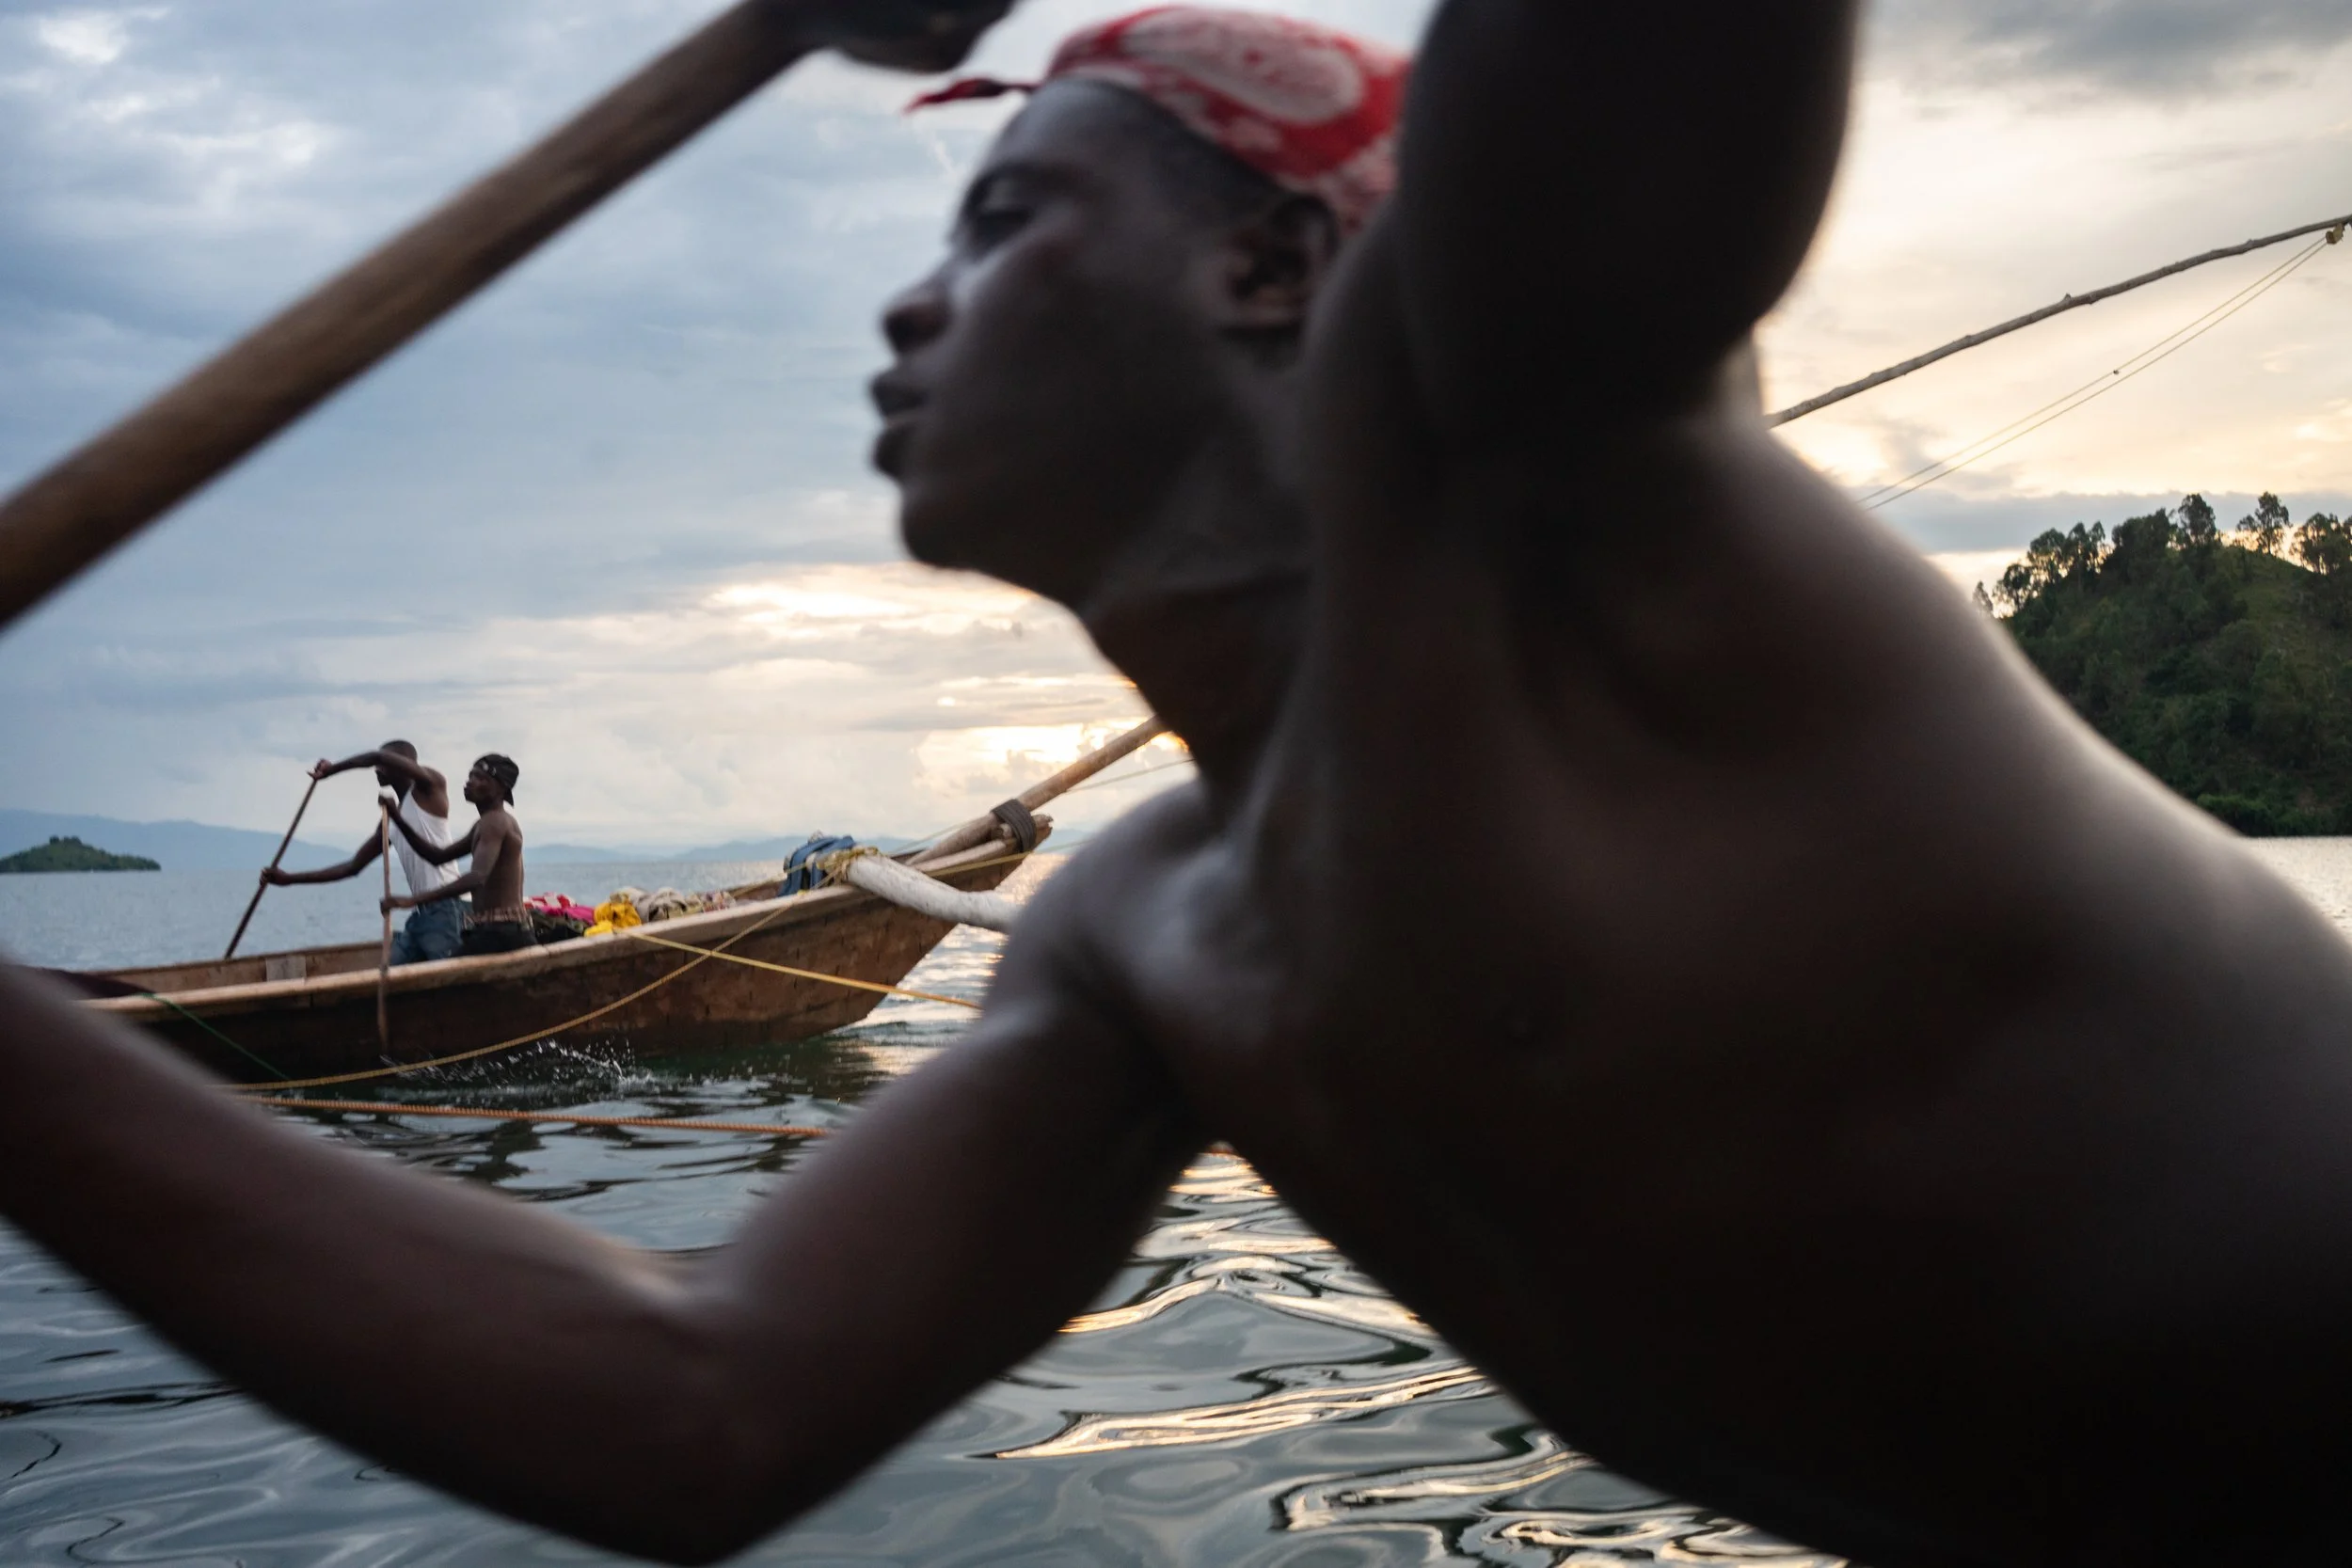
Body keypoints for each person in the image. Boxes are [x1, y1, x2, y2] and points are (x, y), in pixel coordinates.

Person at [5, 5, 2352, 1567]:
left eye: (1005, 220)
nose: (908, 312)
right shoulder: (1144, 927)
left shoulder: (1567, 490)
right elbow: (689, 1408)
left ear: (1267, 264)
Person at [261, 742, 464, 964]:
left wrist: (332, 770)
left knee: (450, 976)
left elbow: (377, 756)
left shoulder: (430, 788)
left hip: (449, 906)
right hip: (422, 912)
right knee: (391, 972)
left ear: (401, 765)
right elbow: (352, 867)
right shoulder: (390, 821)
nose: (376, 770)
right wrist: (289, 879)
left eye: (382, 765)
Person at [387, 753, 533, 957]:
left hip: (503, 933)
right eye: (470, 776)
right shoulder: (483, 824)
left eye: (481, 779)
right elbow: (436, 856)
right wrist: (398, 819)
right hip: (492, 930)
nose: (470, 782)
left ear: (501, 789)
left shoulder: (496, 822)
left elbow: (476, 878)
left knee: (447, 978)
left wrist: (414, 900)